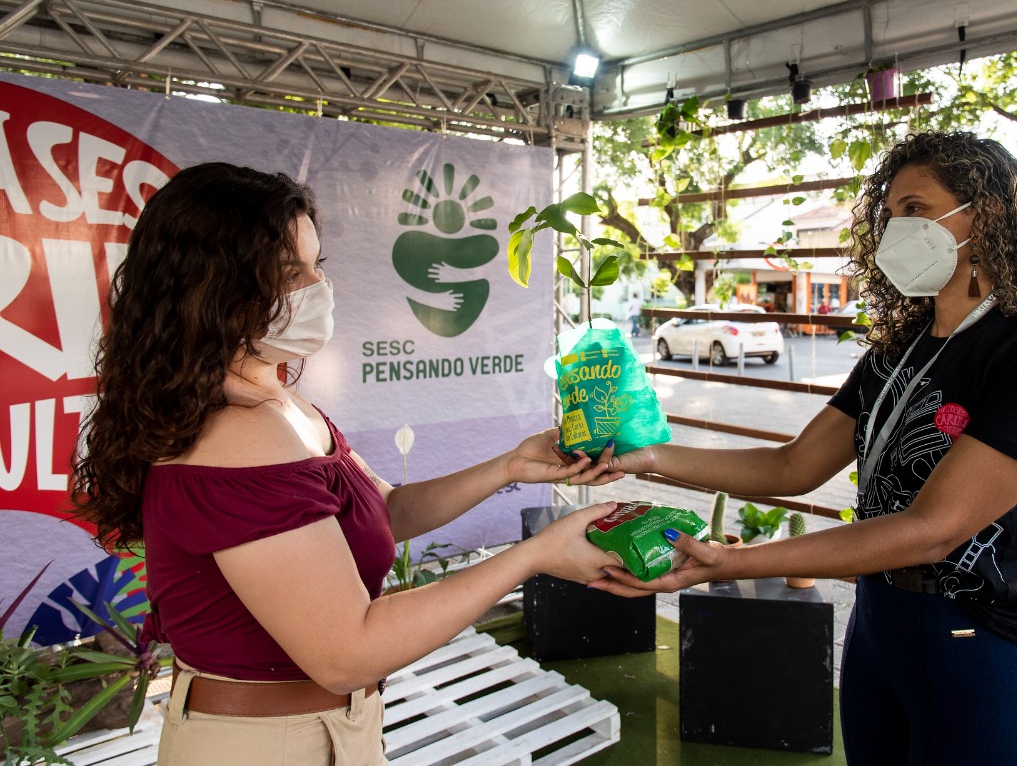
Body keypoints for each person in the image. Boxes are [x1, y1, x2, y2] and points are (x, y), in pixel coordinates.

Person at [70, 163, 623, 765]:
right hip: (266, 744)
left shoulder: (273, 399)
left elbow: (385, 510)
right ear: (210, 287)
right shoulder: (239, 432)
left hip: (328, 728)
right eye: (288, 274)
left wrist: (509, 466)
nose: (316, 288)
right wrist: (535, 555)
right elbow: (345, 653)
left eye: (317, 266)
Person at [590, 133, 1017, 766]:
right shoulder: (894, 352)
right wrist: (650, 457)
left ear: (985, 214)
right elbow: (791, 466)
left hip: (979, 647)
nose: (895, 230)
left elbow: (933, 530)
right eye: (888, 215)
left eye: (915, 208)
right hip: (877, 630)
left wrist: (729, 563)